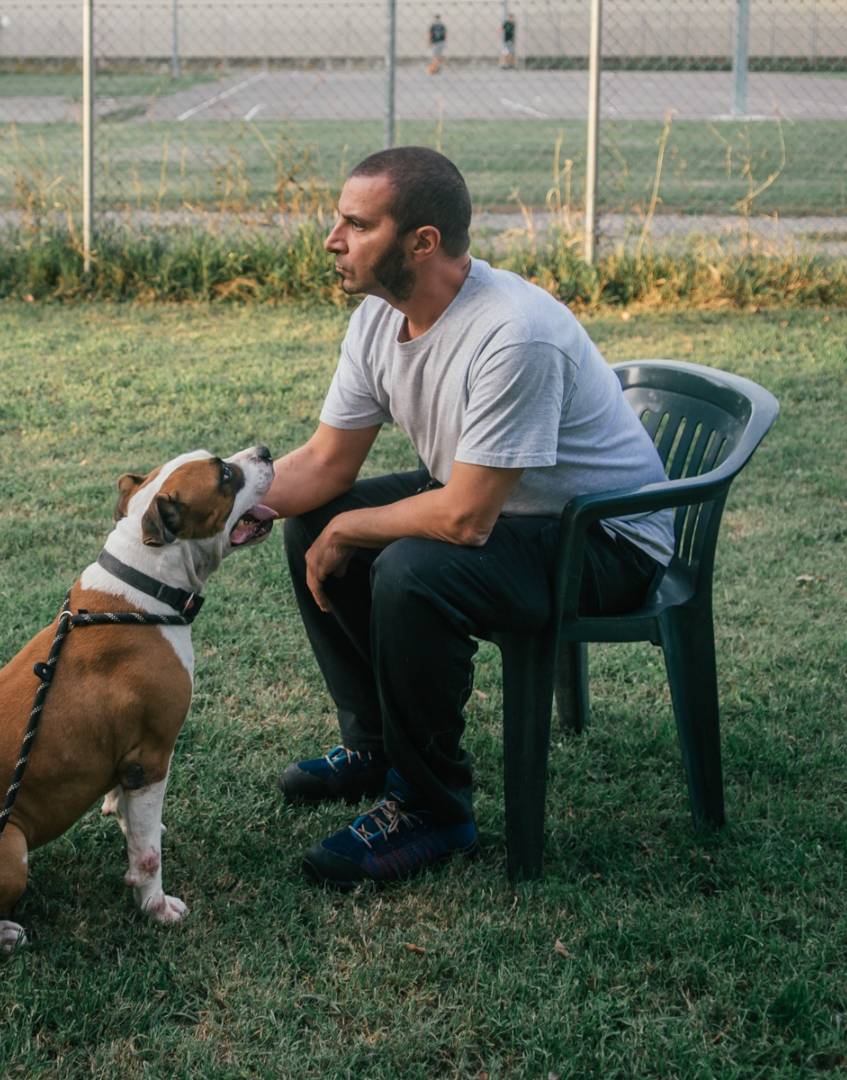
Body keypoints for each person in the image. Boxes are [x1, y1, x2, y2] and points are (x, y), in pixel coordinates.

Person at [262, 147, 675, 888]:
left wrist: (353, 530)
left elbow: (464, 522)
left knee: (409, 570)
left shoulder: (515, 331)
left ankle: (433, 804)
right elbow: (325, 466)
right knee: (314, 520)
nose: (332, 240)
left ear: (421, 242)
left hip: (604, 542)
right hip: (505, 511)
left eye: (356, 224)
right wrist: (222, 501)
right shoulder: (377, 321)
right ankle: (376, 744)